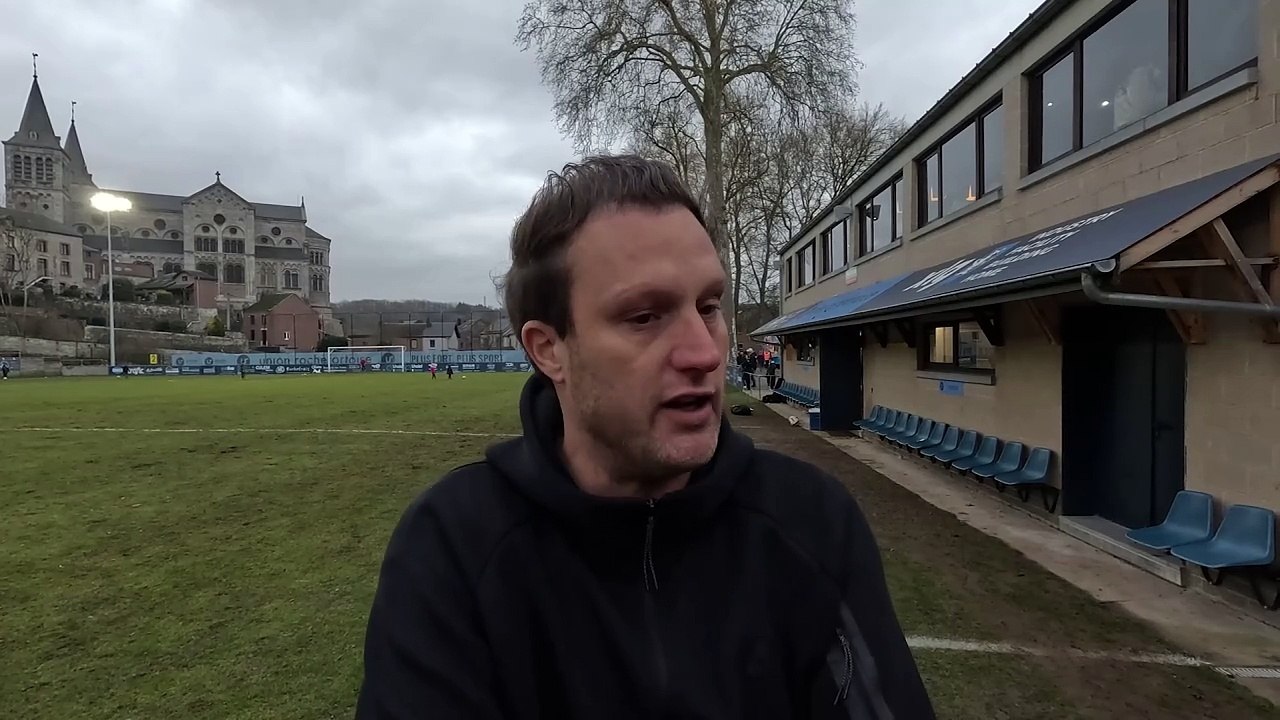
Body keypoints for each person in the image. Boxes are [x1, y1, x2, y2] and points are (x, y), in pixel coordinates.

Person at [355, 155, 934, 719]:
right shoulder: (453, 547)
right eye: (644, 317)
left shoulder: (813, 522)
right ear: (548, 348)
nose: (705, 353)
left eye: (708, 306)